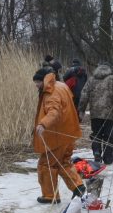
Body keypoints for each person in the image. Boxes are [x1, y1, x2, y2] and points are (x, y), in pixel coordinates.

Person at [32, 66, 85, 204]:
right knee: (63, 162)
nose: (36, 86)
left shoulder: (51, 92)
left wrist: (43, 124)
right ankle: (78, 187)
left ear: (43, 80)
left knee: (46, 164)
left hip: (57, 137)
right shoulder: (61, 85)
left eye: (37, 83)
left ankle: (50, 196)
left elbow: (54, 112)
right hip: (68, 133)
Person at [77, 62, 113, 165]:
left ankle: (97, 154)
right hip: (109, 114)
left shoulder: (91, 80)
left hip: (95, 113)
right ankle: (108, 159)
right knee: (108, 136)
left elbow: (84, 95)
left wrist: (81, 111)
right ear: (109, 69)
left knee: (96, 135)